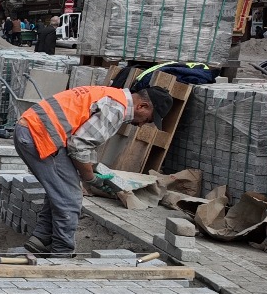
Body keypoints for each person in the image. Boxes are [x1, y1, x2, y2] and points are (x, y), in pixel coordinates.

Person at [16, 84, 171, 256]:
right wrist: (90, 178)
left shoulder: (112, 95)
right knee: (70, 197)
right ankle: (61, 253)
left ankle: (41, 239)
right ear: (143, 106)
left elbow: (81, 140)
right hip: (38, 135)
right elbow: (79, 144)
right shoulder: (116, 109)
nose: (142, 125)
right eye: (148, 120)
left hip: (34, 130)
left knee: (62, 189)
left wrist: (92, 167)